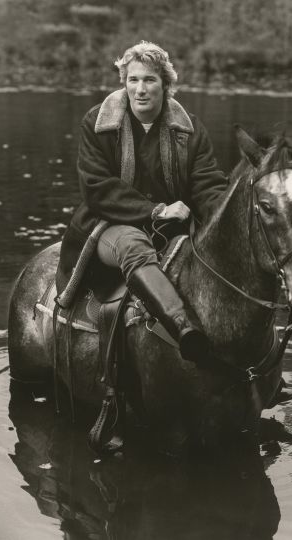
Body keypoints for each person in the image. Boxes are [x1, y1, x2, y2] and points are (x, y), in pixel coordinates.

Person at [56, 41, 228, 365]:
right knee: (134, 245)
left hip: (172, 229)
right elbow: (96, 188)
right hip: (106, 224)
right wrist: (157, 211)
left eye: (149, 80)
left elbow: (207, 185)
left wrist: (227, 219)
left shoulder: (189, 129)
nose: (140, 89)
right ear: (124, 83)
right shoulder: (98, 123)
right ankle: (183, 330)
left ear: (166, 84)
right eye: (132, 80)